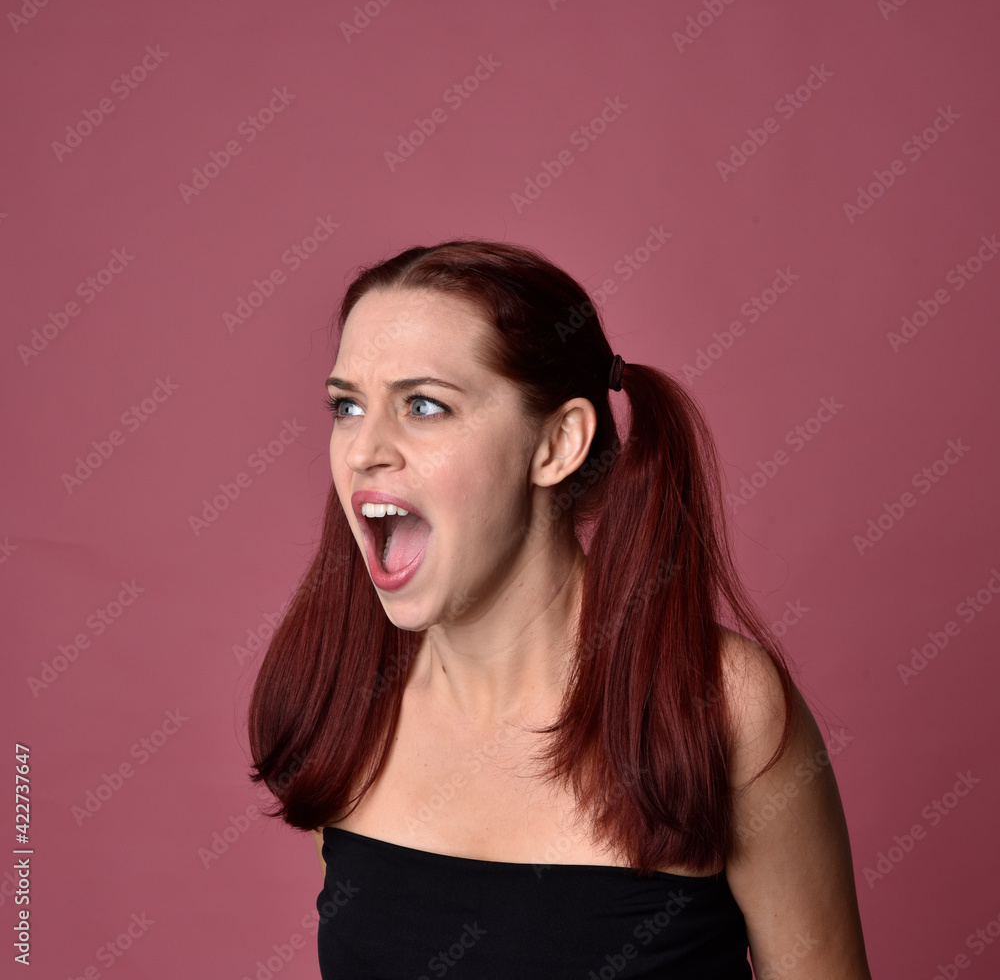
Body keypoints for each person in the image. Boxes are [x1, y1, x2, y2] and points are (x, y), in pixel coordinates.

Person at [248, 239, 873, 979]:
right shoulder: (346, 707)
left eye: (423, 405)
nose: (362, 450)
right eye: (347, 406)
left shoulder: (722, 705)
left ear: (558, 443)